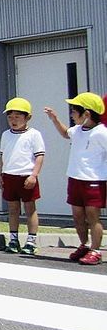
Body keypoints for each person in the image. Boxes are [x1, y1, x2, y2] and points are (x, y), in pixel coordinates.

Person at [44, 92, 107, 265]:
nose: (71, 114)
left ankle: (96, 250)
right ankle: (84, 245)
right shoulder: (78, 130)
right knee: (78, 216)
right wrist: (55, 119)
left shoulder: (101, 133)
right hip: (75, 178)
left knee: (93, 216)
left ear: (86, 114)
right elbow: (66, 133)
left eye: (74, 111)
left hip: (94, 180)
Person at [0, 97, 45, 255]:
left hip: (27, 176)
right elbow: (2, 155)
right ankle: (13, 239)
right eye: (10, 117)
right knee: (12, 209)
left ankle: (31, 241)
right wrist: (0, 173)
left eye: (17, 117)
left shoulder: (34, 134)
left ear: (27, 117)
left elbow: (39, 156)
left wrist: (34, 175)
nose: (13, 120)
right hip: (9, 175)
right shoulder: (6, 135)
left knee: (30, 208)